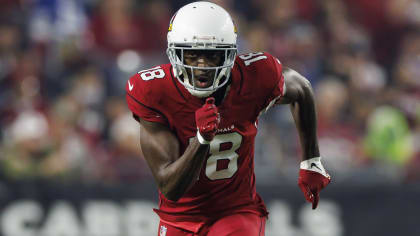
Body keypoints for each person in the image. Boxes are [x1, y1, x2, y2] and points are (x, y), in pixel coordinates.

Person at [125, 2, 331, 235]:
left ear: (230, 54)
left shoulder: (254, 76)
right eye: (192, 55)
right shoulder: (154, 92)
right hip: (178, 217)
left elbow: (301, 89)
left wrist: (311, 161)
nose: (202, 67)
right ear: (174, 53)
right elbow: (170, 188)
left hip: (235, 211)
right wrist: (201, 140)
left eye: (212, 56)